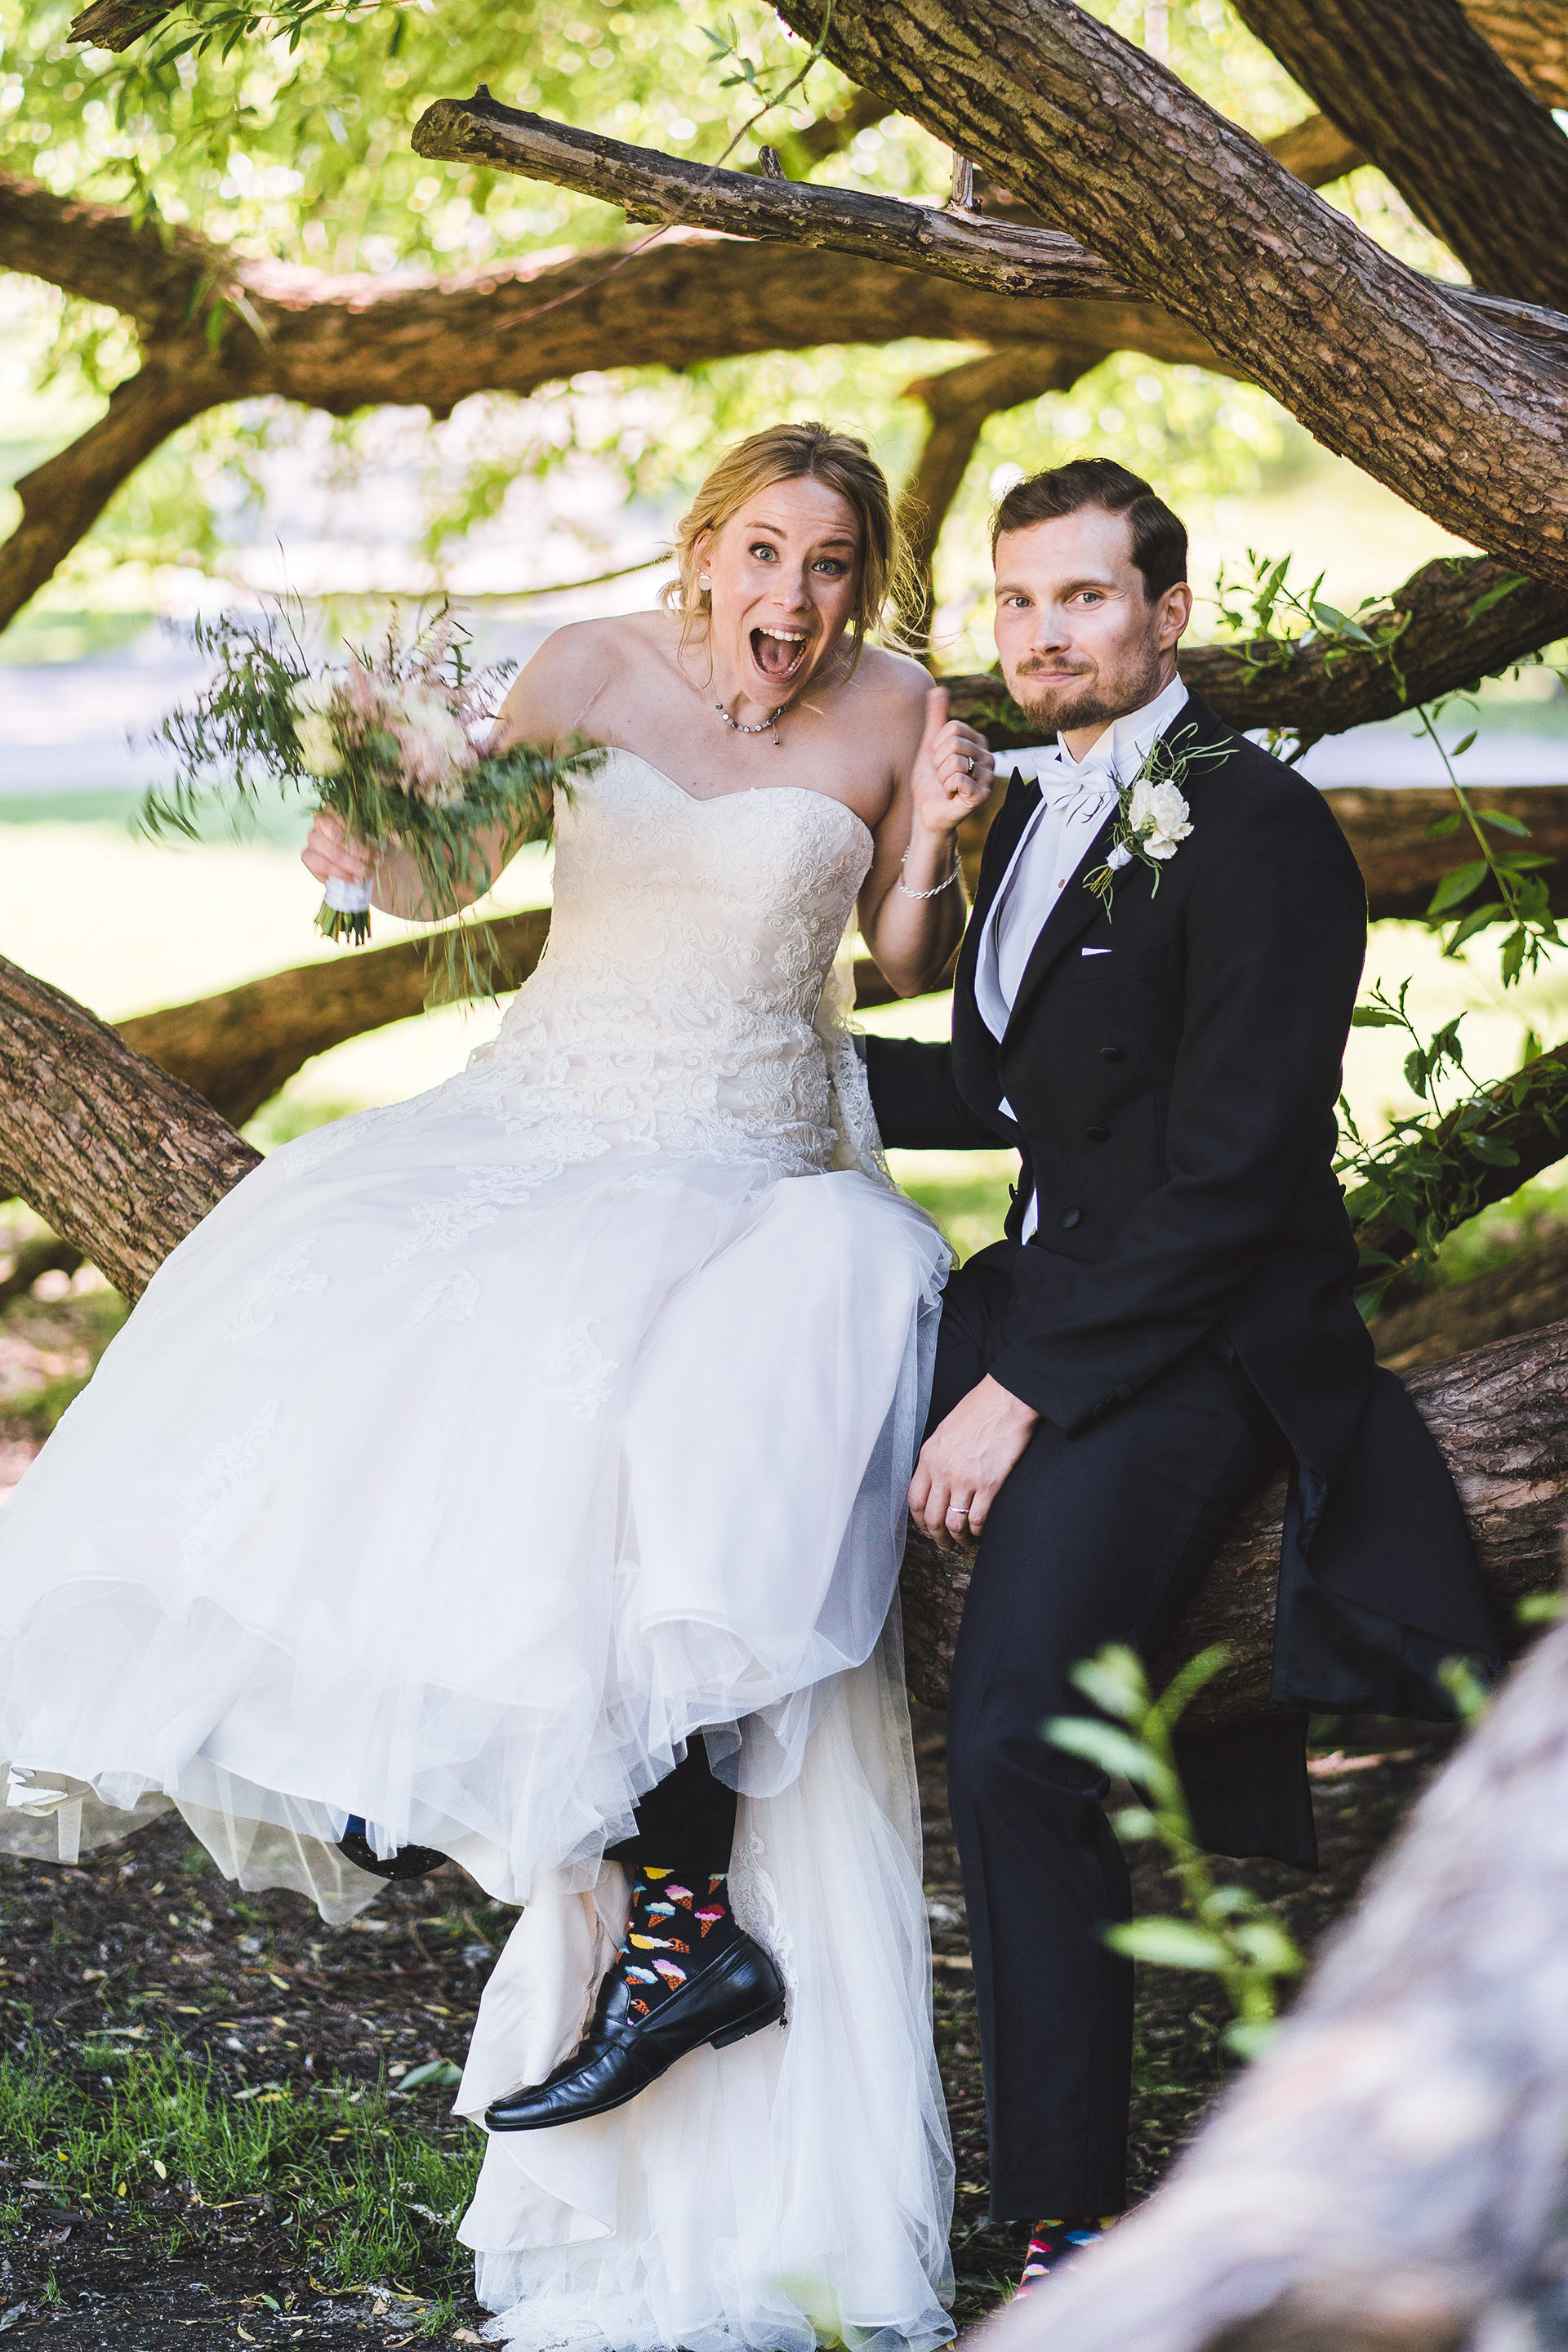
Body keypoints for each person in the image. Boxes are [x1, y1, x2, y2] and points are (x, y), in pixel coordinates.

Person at [0, 421, 995, 2351]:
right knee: (360, 1312)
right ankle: (409, 1774)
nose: (793, 597)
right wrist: (373, 798)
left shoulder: (896, 710)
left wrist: (937, 835)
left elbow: (890, 967)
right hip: (545, 1115)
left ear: (863, 582)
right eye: (765, 553)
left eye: (829, 566)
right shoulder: (586, 669)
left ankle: (673, 1920)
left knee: (649, 1424)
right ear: (705, 549)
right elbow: (430, 877)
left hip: (750, 1163)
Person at [862, 457, 1498, 2295]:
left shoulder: (1259, 827)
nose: (1043, 633)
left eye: (1083, 597)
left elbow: (1230, 1182)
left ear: (1170, 613)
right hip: (1036, 1292)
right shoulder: (1031, 811)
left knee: (1014, 1741)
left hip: (1190, 1341)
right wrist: (751, 1060)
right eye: (1017, 601)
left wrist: (1025, 1393)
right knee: (731, 1449)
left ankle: (1067, 2226)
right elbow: (1002, 1087)